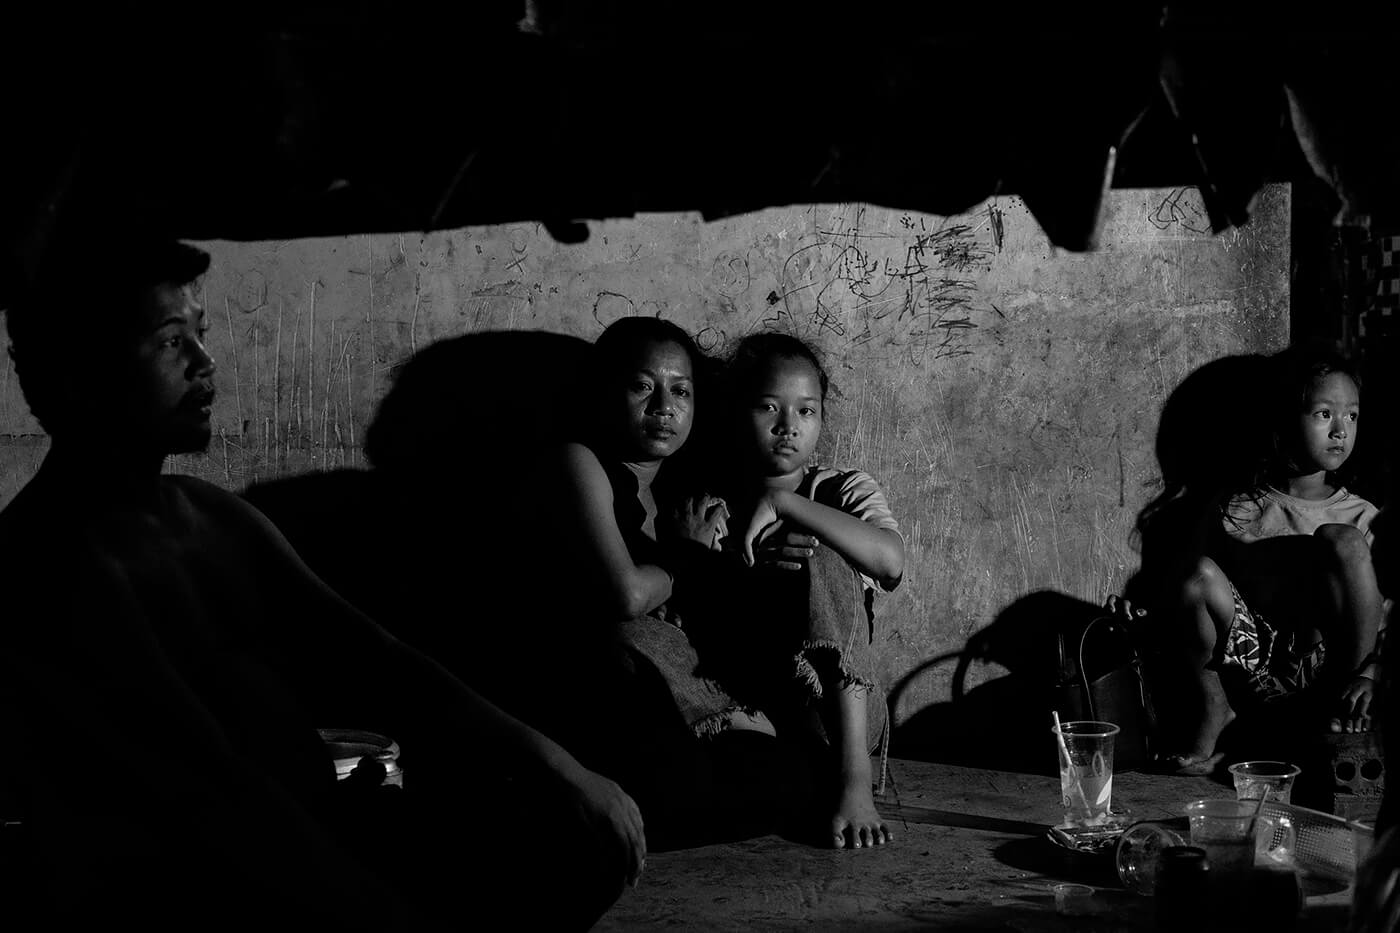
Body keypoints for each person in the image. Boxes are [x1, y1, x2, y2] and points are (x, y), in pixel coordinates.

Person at [0, 238, 643, 929]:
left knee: (573, 830)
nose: (205, 363)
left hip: (303, 826)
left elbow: (379, 658)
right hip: (193, 883)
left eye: (201, 335)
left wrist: (557, 764)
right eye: (170, 341)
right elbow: (210, 794)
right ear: (76, 376)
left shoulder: (208, 516)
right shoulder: (50, 562)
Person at [1115, 345, 1385, 775]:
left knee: (1344, 542)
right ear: (1283, 420)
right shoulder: (1238, 509)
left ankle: (1346, 716)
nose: (1340, 430)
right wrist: (1146, 611)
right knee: (1197, 573)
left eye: (1351, 416)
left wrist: (1369, 675)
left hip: (1328, 677)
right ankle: (1216, 714)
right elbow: (1192, 594)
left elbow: (1388, 619)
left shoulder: (1362, 516)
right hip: (1253, 671)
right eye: (1324, 414)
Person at [695, 332, 905, 849]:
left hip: (840, 714)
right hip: (750, 703)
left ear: (822, 419)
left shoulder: (841, 489)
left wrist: (786, 505)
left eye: (806, 411)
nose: (788, 426)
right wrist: (735, 562)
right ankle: (788, 757)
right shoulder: (712, 505)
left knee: (824, 554)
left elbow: (891, 563)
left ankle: (854, 780)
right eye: (768, 407)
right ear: (737, 412)